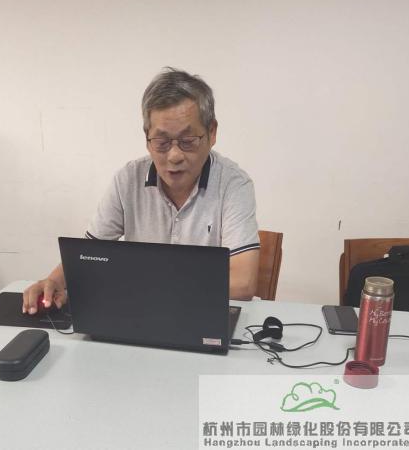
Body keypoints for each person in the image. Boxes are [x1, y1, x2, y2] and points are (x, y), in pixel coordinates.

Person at [22, 67, 260, 314]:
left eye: (188, 141)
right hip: (144, 314)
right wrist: (54, 282)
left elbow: (243, 284)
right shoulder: (128, 180)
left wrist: (144, 284)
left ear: (212, 133)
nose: (174, 155)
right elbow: (88, 255)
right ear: (147, 137)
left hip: (203, 313)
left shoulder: (233, 185)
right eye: (162, 142)